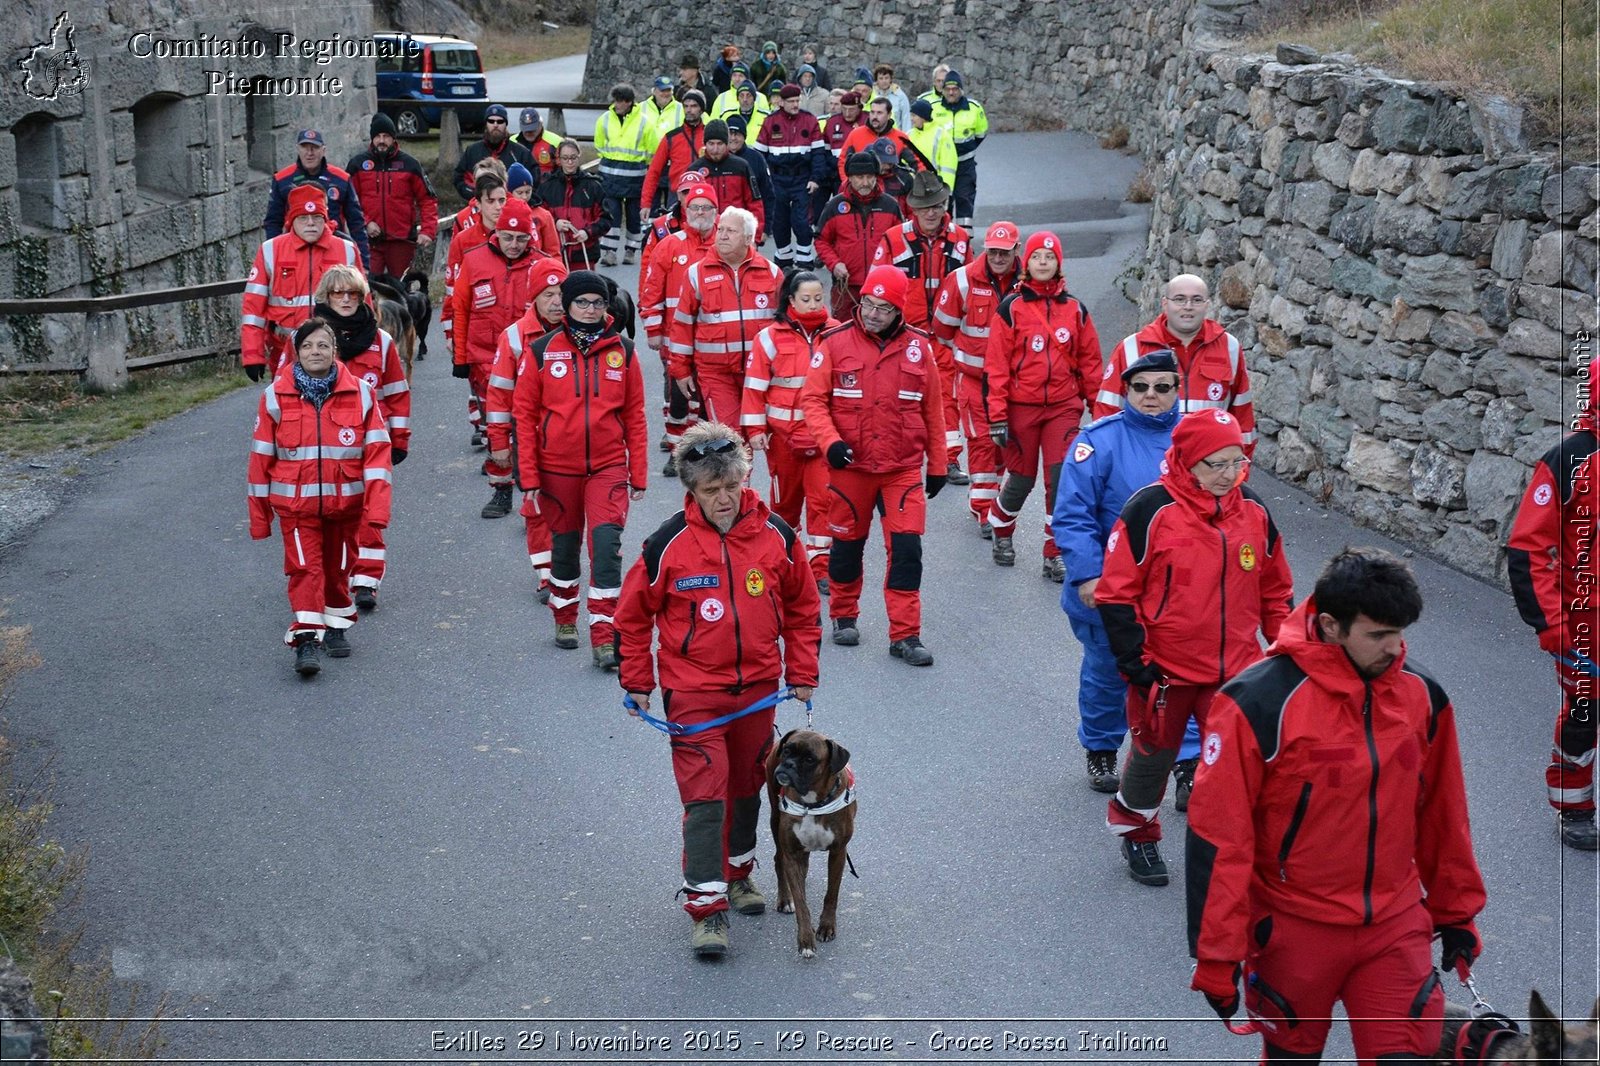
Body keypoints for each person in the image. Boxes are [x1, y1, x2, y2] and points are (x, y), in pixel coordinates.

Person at [1187, 548, 1487, 1063]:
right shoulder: (1256, 703)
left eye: (1400, 632)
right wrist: (1217, 957)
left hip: (1393, 926)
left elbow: (1443, 812)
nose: (1395, 649)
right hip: (1294, 932)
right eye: (1377, 635)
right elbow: (1220, 837)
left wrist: (1456, 913)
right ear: (1330, 625)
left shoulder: (1423, 695)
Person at [616, 420, 820, 958]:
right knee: (705, 799)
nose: (725, 499)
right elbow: (632, 618)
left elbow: (802, 607)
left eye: (731, 485)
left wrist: (801, 670)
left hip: (758, 691)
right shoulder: (666, 545)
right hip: (693, 697)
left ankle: (737, 873)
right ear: (692, 490)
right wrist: (637, 682)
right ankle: (706, 908)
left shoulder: (777, 533)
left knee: (747, 788)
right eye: (711, 490)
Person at [1098, 409, 1294, 886]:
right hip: (1165, 671)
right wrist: (1137, 664)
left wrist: (1288, 651)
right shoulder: (1149, 510)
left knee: (1237, 764)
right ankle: (1140, 836)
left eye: (1237, 463)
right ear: (1187, 462)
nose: (1229, 475)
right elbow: (1116, 594)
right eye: (1217, 464)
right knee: (1153, 758)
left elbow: (1275, 591)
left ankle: (1233, 851)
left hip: (1236, 673)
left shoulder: (1255, 511)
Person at [1051, 351, 1183, 793]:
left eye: (1162, 387)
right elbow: (1073, 515)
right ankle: (1102, 750)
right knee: (1107, 673)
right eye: (1140, 387)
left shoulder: (1193, 440)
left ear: (1176, 391)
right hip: (1112, 590)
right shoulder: (1098, 441)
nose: (1151, 396)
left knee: (1183, 677)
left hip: (1178, 591)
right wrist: (1088, 576)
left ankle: (1185, 762)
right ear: (1126, 391)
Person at [801, 265, 945, 666]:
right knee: (847, 546)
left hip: (901, 469)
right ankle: (844, 614)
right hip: (852, 470)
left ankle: (905, 635)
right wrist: (830, 444)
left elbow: (933, 409)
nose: (873, 313)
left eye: (884, 308)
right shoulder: (833, 343)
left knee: (906, 550)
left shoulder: (919, 347)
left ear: (899, 311)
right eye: (868, 304)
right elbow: (813, 401)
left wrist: (939, 463)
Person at [513, 271, 649, 666]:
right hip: (557, 469)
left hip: (607, 468)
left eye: (598, 303)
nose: (591, 310)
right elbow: (523, 415)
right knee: (566, 548)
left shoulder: (622, 350)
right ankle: (565, 616)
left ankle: (605, 636)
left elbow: (636, 416)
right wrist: (529, 475)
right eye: (582, 303)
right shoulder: (541, 351)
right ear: (568, 306)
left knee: (606, 549)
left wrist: (637, 472)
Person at [248, 317, 392, 676]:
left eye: (323, 345)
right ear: (296, 353)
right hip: (295, 510)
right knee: (304, 570)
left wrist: (376, 512)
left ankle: (337, 624)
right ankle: (307, 639)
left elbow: (377, 458)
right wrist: (259, 517)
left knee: (338, 569)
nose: (316, 352)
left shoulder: (361, 393)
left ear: (334, 351)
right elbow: (260, 460)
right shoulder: (274, 398)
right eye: (308, 346)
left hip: (346, 508)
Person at [1508, 359, 1600, 850]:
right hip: (1584, 627)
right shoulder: (1568, 459)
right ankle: (1574, 809)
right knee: (1585, 715)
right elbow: (1526, 548)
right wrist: (1553, 628)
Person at [984, 231, 1103, 578]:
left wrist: (1101, 411)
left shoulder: (1076, 310)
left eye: (1050, 258)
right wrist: (997, 416)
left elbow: (1091, 364)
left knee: (1061, 478)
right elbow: (996, 368)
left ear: (1058, 263)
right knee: (1021, 480)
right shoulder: (1011, 308)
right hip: (1021, 408)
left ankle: (1055, 551)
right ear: (1028, 262)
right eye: (1037, 257)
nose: (1043, 263)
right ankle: (1001, 528)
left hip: (1063, 407)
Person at [311, 265, 410, 612]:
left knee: (373, 507)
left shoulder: (381, 341)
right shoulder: (310, 340)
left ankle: (367, 578)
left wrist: (399, 437)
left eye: (353, 293)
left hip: (372, 440)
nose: (346, 299)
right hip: (323, 444)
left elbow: (397, 392)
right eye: (339, 293)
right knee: (333, 513)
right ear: (326, 297)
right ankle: (331, 574)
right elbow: (283, 391)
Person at [450, 197, 547, 520]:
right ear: (497, 232)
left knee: (537, 429)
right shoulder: (473, 261)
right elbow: (459, 310)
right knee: (497, 428)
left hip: (532, 364)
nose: (514, 245)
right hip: (484, 363)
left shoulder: (543, 266)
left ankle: (536, 492)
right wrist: (460, 358)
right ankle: (501, 489)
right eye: (508, 237)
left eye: (522, 239)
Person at [872, 171, 971, 484]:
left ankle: (948, 459)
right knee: (897, 399)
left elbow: (973, 284)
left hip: (946, 334)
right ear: (912, 208)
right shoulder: (893, 239)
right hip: (904, 335)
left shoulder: (960, 239)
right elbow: (877, 287)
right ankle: (896, 459)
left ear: (945, 205)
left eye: (937, 205)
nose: (932, 212)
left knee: (947, 397)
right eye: (925, 206)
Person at [743, 270, 839, 588]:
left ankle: (820, 566)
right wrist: (755, 431)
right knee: (786, 503)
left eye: (818, 298)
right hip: (783, 438)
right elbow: (754, 388)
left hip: (824, 436)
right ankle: (785, 558)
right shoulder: (768, 338)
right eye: (806, 299)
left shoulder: (838, 333)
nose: (813, 305)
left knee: (823, 499)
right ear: (790, 300)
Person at [485, 260, 569, 603]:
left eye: (561, 293)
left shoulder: (582, 330)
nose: (556, 302)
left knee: (568, 507)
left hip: (573, 436)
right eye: (548, 294)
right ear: (534, 297)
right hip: (531, 437)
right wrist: (498, 441)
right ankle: (547, 574)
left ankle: (565, 566)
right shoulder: (515, 337)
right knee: (535, 504)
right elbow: (499, 392)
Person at [1093, 273, 1256, 450]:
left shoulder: (1229, 347)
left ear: (1207, 305)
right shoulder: (1131, 347)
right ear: (1165, 303)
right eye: (1179, 299)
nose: (1188, 307)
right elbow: (1107, 412)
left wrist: (1241, 467)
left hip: (1208, 464)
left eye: (1196, 300)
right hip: (1147, 458)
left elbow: (1242, 414)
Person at [931, 220, 1019, 535]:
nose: (997, 258)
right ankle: (985, 510)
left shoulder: (1027, 283)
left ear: (1016, 251)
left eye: (1004, 253)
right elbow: (941, 329)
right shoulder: (962, 280)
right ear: (985, 249)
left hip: (1014, 385)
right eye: (993, 252)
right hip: (974, 381)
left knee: (1004, 447)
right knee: (981, 442)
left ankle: (987, 496)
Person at [667, 206, 783, 432]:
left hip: (760, 373)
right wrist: (680, 370)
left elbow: (785, 325)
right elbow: (682, 325)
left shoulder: (772, 272)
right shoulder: (696, 273)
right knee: (730, 440)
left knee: (761, 435)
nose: (723, 235)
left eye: (731, 231)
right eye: (721, 229)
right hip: (715, 374)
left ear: (748, 238)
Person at [241, 185, 362, 380]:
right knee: (288, 407)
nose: (311, 224)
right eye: (303, 218)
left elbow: (364, 306)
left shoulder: (346, 250)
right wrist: (252, 355)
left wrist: (363, 348)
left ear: (326, 219)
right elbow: (253, 310)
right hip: (284, 352)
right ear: (292, 221)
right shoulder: (270, 250)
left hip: (336, 350)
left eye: (317, 217)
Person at [641, 183, 720, 467]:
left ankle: (702, 450)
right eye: (695, 207)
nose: (700, 212)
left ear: (716, 211)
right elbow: (652, 289)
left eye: (706, 207)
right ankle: (676, 452)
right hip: (676, 338)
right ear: (686, 211)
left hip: (713, 339)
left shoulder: (725, 245)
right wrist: (653, 329)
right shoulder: (669, 245)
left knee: (706, 395)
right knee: (678, 396)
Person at [440, 169, 506, 426]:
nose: (498, 207)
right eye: (491, 201)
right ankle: (485, 428)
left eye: (502, 200)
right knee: (479, 384)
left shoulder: (513, 235)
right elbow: (453, 292)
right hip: (476, 327)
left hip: (507, 321)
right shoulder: (464, 241)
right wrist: (450, 333)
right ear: (477, 203)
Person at [264, 128, 371, 271]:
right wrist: (275, 258)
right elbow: (273, 222)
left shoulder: (341, 179)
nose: (309, 153)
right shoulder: (282, 180)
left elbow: (356, 223)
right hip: (294, 253)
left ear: (323, 150)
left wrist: (363, 264)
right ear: (297, 149)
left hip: (333, 251)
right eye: (304, 147)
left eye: (314, 148)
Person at [347, 113, 438, 278]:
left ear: (394, 138)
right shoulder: (357, 165)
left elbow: (427, 199)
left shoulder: (410, 164)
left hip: (401, 241)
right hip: (369, 242)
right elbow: (349, 202)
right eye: (378, 136)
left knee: (402, 289)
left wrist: (427, 231)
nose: (382, 141)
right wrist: (366, 222)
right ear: (372, 138)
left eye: (386, 136)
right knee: (368, 288)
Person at [815, 151, 902, 320]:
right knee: (843, 334)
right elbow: (821, 240)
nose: (865, 182)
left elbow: (901, 243)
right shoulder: (834, 206)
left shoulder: (890, 206)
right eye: (860, 177)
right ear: (850, 178)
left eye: (870, 177)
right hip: (846, 286)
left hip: (881, 287)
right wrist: (835, 264)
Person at [754, 84, 827, 271]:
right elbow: (759, 156)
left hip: (802, 179)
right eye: (791, 101)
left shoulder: (809, 121)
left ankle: (804, 260)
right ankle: (784, 260)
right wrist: (765, 181)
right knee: (780, 221)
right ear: (781, 102)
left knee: (801, 221)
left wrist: (815, 178)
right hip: (777, 180)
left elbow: (818, 154)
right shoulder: (770, 122)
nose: (795, 104)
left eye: (797, 100)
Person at [594, 85, 658, 265]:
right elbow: (599, 144)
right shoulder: (604, 119)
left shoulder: (645, 123)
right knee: (610, 214)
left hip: (635, 177)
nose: (617, 105)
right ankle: (609, 253)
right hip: (609, 176)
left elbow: (652, 149)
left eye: (621, 101)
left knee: (633, 215)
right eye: (615, 100)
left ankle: (631, 250)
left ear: (629, 102)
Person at [539, 139, 612, 271]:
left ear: (579, 157)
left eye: (573, 158)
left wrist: (587, 232)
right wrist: (555, 223)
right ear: (558, 160)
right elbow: (539, 216)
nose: (570, 162)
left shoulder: (593, 186)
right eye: (565, 158)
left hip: (585, 254)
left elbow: (606, 219)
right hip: (555, 254)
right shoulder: (547, 186)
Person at [685, 120, 766, 239]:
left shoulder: (741, 167)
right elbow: (686, 205)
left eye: (720, 144)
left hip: (736, 233)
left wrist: (755, 237)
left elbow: (754, 204)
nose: (715, 149)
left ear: (727, 143)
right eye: (711, 144)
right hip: (703, 234)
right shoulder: (694, 170)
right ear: (704, 143)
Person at [928, 70, 988, 230]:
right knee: (942, 204)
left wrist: (965, 150)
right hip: (941, 168)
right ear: (943, 90)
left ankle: (964, 243)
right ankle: (942, 240)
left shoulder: (974, 108)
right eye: (947, 89)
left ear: (960, 90)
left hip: (965, 165)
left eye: (955, 89)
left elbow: (981, 134)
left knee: (964, 202)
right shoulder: (933, 108)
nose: (951, 92)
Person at [640, 89, 707, 217]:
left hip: (704, 196)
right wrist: (646, 203)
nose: (689, 110)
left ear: (701, 109)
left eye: (694, 106)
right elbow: (654, 171)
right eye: (686, 106)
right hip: (677, 196)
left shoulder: (710, 137)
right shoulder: (671, 137)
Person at [452, 104, 535, 200]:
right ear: (486, 124)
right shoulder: (472, 151)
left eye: (500, 121)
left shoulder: (521, 153)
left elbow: (533, 182)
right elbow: (459, 178)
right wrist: (475, 195)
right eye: (491, 121)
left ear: (506, 124)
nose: (495, 125)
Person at [815, 90, 864, 223]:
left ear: (859, 108)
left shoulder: (868, 121)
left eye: (852, 110)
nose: (847, 114)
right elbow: (824, 149)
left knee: (846, 210)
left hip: (856, 171)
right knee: (816, 210)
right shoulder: (832, 122)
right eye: (844, 109)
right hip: (832, 170)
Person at [837, 97, 911, 182]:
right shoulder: (855, 134)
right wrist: (848, 183)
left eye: (879, 113)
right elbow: (843, 161)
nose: (874, 116)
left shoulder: (901, 137)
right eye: (872, 112)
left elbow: (916, 163)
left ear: (889, 115)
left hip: (892, 189)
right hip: (861, 187)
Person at [725, 116, 775, 231]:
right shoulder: (718, 158)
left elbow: (768, 195)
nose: (733, 138)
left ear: (744, 136)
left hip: (749, 224)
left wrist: (766, 228)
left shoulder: (756, 158)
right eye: (730, 134)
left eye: (737, 134)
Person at [505, 164, 560, 257]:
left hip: (538, 264)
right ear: (510, 192)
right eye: (520, 193)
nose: (525, 197)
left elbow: (553, 250)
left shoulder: (543, 215)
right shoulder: (503, 214)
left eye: (528, 191)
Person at [905, 99, 957, 192]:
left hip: (935, 187)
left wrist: (946, 191)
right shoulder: (909, 135)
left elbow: (948, 166)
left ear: (923, 117)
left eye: (914, 115)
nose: (911, 119)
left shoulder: (941, 135)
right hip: (912, 187)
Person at [513, 107, 563, 179]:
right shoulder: (511, 142)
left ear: (540, 124)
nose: (529, 132)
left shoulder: (556, 142)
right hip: (518, 187)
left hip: (546, 187)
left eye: (532, 129)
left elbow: (566, 170)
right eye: (526, 129)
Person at [870, 63, 911, 131]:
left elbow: (906, 119)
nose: (884, 81)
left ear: (891, 79)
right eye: (881, 78)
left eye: (886, 78)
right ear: (876, 80)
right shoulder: (871, 95)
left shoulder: (900, 96)